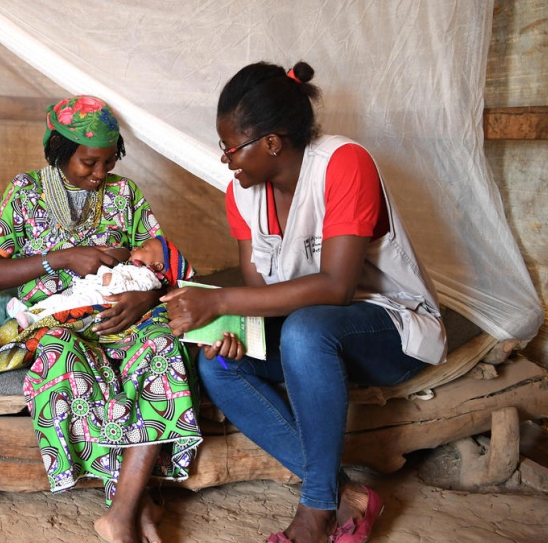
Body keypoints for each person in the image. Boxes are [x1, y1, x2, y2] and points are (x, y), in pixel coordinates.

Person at [162, 61, 446, 543]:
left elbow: (337, 287)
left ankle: (315, 510)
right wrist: (232, 332)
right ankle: (346, 496)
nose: (227, 160)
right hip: (307, 336)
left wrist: (219, 301)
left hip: (391, 327)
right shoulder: (242, 194)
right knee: (220, 367)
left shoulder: (343, 164)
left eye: (232, 147)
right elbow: (257, 296)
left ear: (272, 142)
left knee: (307, 330)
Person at [0, 95, 202, 543]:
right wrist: (60, 258)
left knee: (162, 344)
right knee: (59, 359)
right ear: (57, 151)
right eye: (89, 163)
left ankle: (119, 514)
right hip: (56, 322)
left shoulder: (125, 195)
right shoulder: (25, 193)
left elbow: (162, 262)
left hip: (126, 318)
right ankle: (139, 504)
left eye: (109, 163)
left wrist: (143, 297)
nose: (99, 175)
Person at [7, 236, 192, 328]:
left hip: (96, 299)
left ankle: (35, 319)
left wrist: (109, 276)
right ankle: (28, 311)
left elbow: (130, 288)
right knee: (57, 300)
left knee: (64, 308)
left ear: (157, 265)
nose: (136, 247)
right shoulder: (133, 268)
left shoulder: (147, 276)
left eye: (143, 248)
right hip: (87, 290)